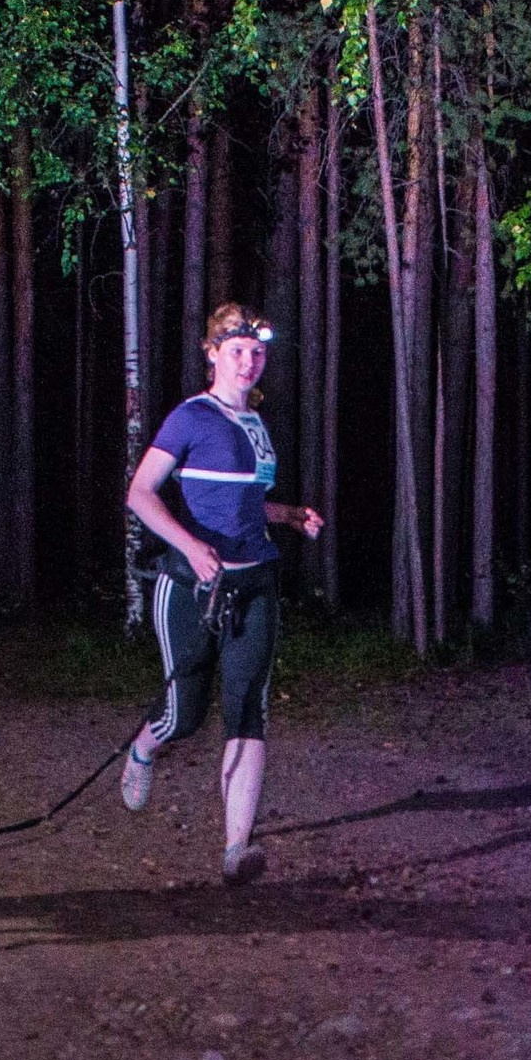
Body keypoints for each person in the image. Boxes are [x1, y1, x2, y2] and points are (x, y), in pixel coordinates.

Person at [121, 302, 323, 885]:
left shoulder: (256, 423)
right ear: (212, 355)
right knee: (183, 716)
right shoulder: (191, 417)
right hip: (191, 587)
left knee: (247, 709)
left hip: (255, 582)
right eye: (236, 351)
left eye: (257, 353)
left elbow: (242, 503)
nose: (248, 362)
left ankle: (237, 849)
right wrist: (189, 546)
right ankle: (142, 749)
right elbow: (140, 493)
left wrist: (289, 515)